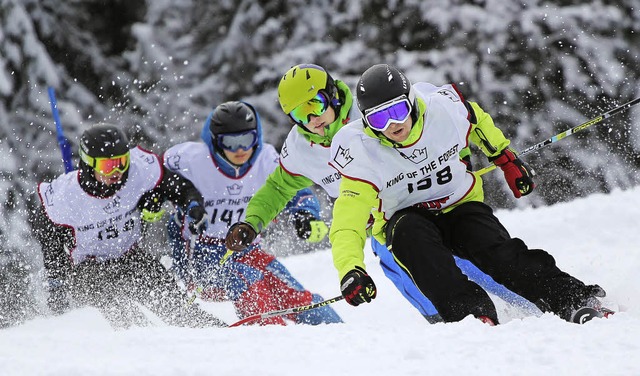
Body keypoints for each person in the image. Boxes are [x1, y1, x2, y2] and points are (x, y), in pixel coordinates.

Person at [225, 63, 525, 322]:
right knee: (402, 267)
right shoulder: (302, 149)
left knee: (471, 254)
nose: (312, 120)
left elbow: (436, 117)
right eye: (300, 115)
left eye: (314, 105)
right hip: (387, 221)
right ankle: (448, 321)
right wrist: (252, 222)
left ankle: (525, 302)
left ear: (330, 94)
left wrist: (486, 157)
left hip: (430, 200)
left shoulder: (370, 108)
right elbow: (277, 188)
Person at [327, 63, 611, 325]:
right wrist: (351, 268)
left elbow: (477, 120)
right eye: (378, 119)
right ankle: (472, 316)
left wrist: (505, 158)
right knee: (419, 250)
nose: (392, 126)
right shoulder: (361, 152)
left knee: (501, 255)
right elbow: (346, 222)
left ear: (412, 101)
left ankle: (572, 299)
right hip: (406, 222)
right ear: (366, 122)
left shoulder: (443, 111)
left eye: (397, 111)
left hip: (458, 205)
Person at [164, 101, 341, 325]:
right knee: (246, 279)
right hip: (201, 257)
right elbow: (157, 177)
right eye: (231, 143)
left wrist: (305, 213)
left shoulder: (265, 159)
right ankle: (270, 338)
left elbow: (293, 186)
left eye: (246, 140)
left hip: (247, 248)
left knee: (292, 294)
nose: (240, 150)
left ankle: (339, 336)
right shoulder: (190, 159)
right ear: (216, 143)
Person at [32, 123, 226, 329]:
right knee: (126, 320)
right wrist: (57, 282)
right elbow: (47, 236)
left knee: (176, 307)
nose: (117, 172)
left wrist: (193, 206)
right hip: (88, 270)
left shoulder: (139, 170)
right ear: (89, 164)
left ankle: (215, 333)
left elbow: (177, 186)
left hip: (130, 258)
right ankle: (139, 342)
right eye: (108, 166)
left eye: (122, 162)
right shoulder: (66, 196)